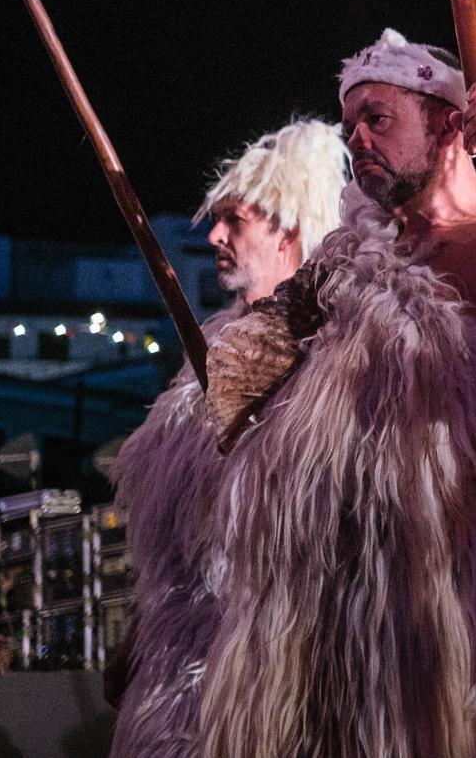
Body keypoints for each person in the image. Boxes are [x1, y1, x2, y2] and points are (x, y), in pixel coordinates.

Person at [129, 30, 476, 758]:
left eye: (378, 117)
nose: (358, 138)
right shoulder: (342, 266)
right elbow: (230, 390)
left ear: (446, 123)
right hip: (369, 613)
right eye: (351, 126)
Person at [108, 118, 349, 751]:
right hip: (175, 650)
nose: (213, 235)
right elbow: (177, 530)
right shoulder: (210, 342)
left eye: (234, 221)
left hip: (264, 651)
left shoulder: (328, 343)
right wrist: (141, 627)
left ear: (287, 229)